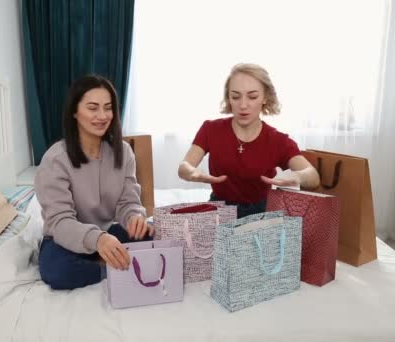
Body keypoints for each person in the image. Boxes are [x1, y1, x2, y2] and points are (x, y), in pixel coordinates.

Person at [35, 75, 153, 290]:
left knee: (155, 233)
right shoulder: (55, 160)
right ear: (74, 112)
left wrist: (135, 216)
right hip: (66, 237)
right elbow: (60, 222)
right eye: (92, 108)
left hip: (107, 234)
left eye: (108, 108)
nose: (102, 116)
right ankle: (108, 269)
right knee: (56, 270)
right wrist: (97, 241)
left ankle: (111, 260)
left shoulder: (123, 152)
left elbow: (129, 202)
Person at [178, 63, 320, 218]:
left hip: (260, 217)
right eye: (235, 97)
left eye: (252, 97)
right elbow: (184, 167)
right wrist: (192, 173)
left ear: (265, 97)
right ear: (228, 98)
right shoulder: (210, 129)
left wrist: (297, 177)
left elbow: (313, 176)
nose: (243, 105)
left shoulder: (278, 140)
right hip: (219, 213)